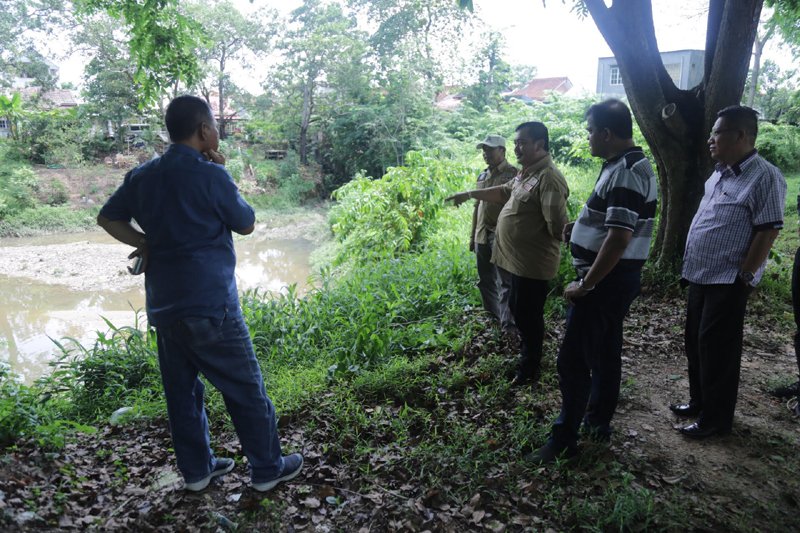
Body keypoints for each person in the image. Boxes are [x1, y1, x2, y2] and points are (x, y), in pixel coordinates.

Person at [97, 95, 303, 492]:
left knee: (182, 393)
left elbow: (107, 218)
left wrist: (145, 242)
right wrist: (225, 175)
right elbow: (245, 223)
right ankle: (267, 468)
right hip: (211, 306)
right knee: (244, 388)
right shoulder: (212, 175)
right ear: (205, 130)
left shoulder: (141, 176)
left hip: (163, 306)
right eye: (214, 126)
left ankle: (197, 471)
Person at [531, 99, 657, 463]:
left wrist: (586, 285)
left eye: (589, 132)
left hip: (606, 281)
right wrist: (582, 227)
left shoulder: (627, 170)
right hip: (613, 278)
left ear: (606, 133)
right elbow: (613, 220)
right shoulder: (620, 164)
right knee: (604, 351)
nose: (587, 138)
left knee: (572, 360)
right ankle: (597, 420)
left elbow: (619, 237)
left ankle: (564, 438)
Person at [671, 105, 787, 438]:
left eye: (717, 133)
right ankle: (699, 402)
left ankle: (716, 420)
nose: (711, 139)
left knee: (717, 350)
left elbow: (767, 231)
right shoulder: (720, 171)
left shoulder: (765, 176)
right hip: (701, 274)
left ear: (740, 136)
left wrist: (745, 276)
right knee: (695, 342)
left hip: (728, 279)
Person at [447, 122, 569, 387]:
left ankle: (530, 367)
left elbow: (558, 227)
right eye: (515, 142)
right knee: (518, 309)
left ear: (539, 144)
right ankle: (528, 355)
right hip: (517, 263)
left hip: (533, 265)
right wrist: (469, 194)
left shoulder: (549, 177)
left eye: (522, 142)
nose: (517, 147)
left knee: (528, 316)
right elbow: (504, 192)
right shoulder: (527, 173)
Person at [470, 135, 518, 331]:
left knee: (506, 280)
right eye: (484, 150)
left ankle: (509, 325)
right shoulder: (482, 176)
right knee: (485, 279)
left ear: (502, 151)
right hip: (482, 234)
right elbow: (477, 207)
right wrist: (472, 236)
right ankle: (493, 318)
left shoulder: (514, 174)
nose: (485, 154)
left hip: (502, 236)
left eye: (490, 150)